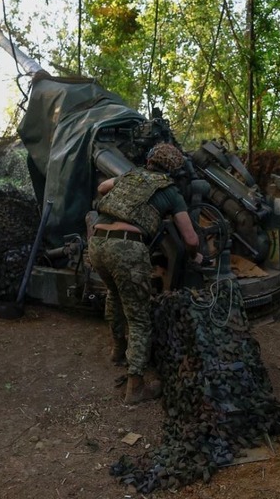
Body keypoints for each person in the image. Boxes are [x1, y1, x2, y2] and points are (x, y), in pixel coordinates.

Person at [87, 142, 202, 404]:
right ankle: (136, 386)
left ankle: (117, 350)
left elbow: (102, 188)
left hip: (97, 242)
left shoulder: (131, 175)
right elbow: (190, 237)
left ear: (150, 160)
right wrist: (195, 253)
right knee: (139, 318)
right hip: (126, 248)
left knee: (114, 295)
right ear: (174, 170)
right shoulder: (171, 192)